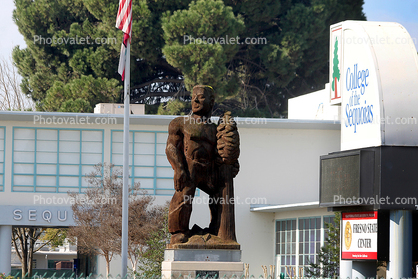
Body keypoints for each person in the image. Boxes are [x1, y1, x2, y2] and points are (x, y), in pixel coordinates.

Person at [166, 85, 239, 244]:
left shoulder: (215, 129)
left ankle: (217, 229)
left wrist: (232, 163)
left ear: (211, 102)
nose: (195, 100)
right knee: (184, 195)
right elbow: (171, 147)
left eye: (201, 97)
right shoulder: (180, 123)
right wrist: (178, 168)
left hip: (209, 169)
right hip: (189, 167)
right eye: (193, 97)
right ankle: (179, 231)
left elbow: (223, 151)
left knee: (220, 195)